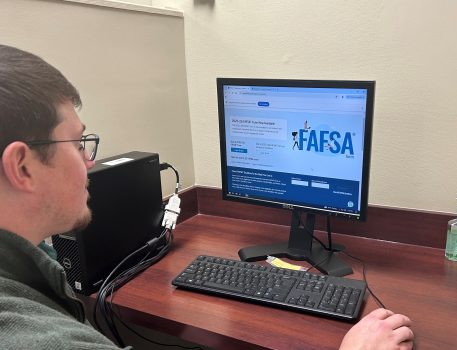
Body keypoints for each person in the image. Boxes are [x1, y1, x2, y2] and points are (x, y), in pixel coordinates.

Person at [0, 44, 414, 350]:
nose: (89, 161)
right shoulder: (38, 337)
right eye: (78, 143)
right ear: (21, 167)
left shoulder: (33, 273)